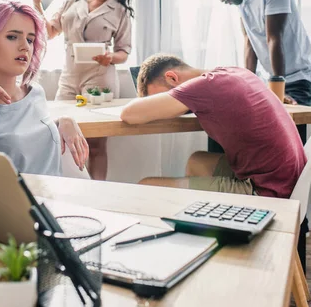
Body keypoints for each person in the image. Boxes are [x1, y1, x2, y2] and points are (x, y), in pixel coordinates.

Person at [120, 54, 306, 199]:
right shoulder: (231, 72)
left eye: (159, 96)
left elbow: (128, 114)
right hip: (289, 180)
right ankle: (201, 225)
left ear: (172, 78)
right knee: (197, 161)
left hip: (268, 190)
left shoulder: (203, 87)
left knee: (147, 187)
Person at [0, 0, 89, 177]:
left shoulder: (35, 93)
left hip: (54, 199)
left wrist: (63, 121)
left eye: (30, 40)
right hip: (9, 204)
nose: (25, 47)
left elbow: (32, 137)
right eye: (12, 37)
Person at [31, 0, 134, 180]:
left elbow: (124, 52)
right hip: (69, 78)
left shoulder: (120, 11)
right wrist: (37, 4)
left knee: (96, 145)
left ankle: (96, 195)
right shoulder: (72, 0)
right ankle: (67, 191)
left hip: (100, 79)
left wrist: (110, 57)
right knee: (59, 137)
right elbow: (49, 31)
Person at [204, 0, 311, 146]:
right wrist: (249, 86)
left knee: (287, 140)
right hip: (273, 83)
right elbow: (249, 45)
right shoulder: (243, 2)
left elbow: (274, 38)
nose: (221, 0)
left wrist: (278, 91)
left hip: (297, 80)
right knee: (228, 118)